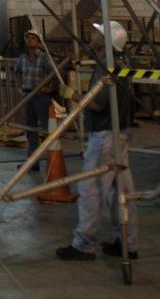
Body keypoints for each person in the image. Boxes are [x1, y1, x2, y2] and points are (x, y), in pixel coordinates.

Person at [56, 20, 138, 262]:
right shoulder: (121, 63)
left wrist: (73, 95)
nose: (91, 35)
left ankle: (84, 244)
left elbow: (97, 104)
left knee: (91, 190)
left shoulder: (107, 68)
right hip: (120, 133)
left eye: (96, 33)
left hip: (105, 136)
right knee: (121, 191)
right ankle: (127, 243)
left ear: (106, 42)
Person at [15, 27, 53, 171]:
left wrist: (50, 88)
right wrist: (21, 87)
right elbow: (17, 72)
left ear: (39, 42)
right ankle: (33, 162)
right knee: (30, 130)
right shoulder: (22, 58)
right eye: (28, 37)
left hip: (41, 97)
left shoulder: (44, 57)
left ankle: (52, 160)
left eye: (33, 38)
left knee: (45, 130)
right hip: (28, 95)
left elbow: (55, 73)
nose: (30, 40)